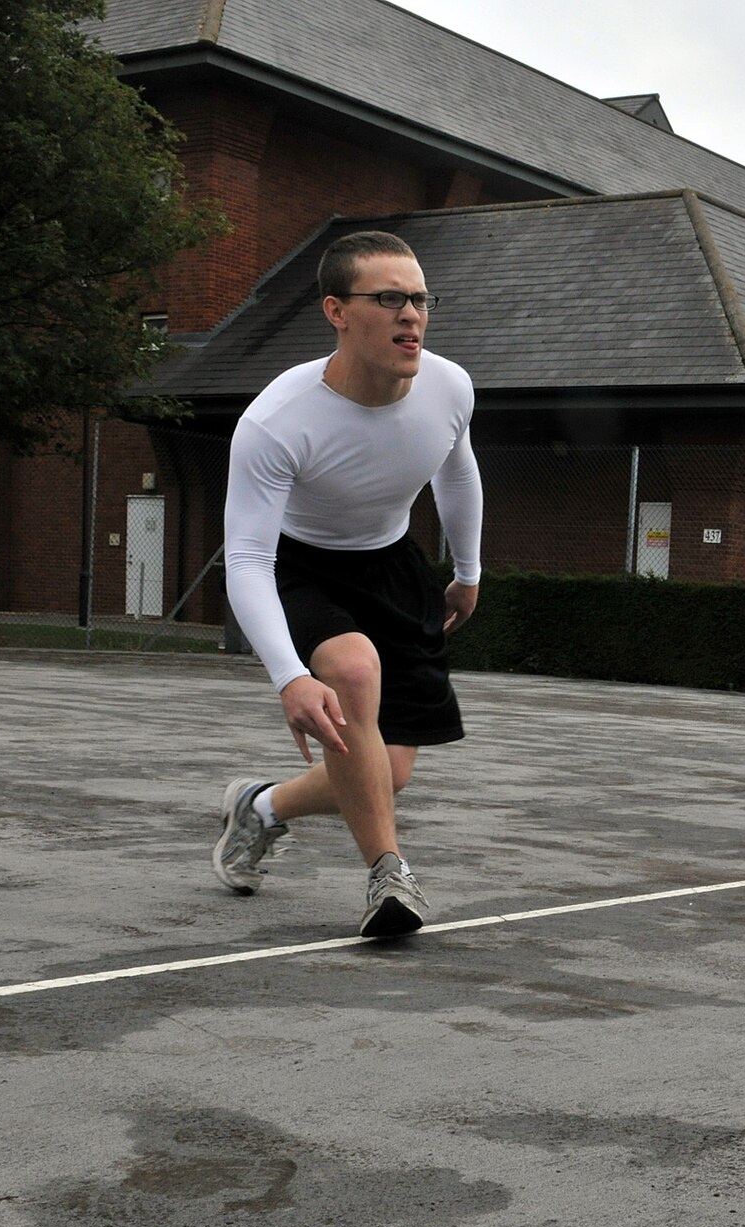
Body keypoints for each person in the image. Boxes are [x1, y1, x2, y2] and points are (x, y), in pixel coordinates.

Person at [211, 230, 483, 938]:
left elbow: (456, 470)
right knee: (353, 672)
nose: (411, 314)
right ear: (336, 310)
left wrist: (467, 571)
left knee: (384, 773)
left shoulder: (450, 387)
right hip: (301, 566)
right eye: (388, 298)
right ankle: (389, 875)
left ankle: (261, 808)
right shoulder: (277, 420)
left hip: (392, 564)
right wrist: (289, 677)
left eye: (420, 298)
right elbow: (244, 557)